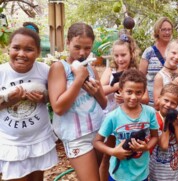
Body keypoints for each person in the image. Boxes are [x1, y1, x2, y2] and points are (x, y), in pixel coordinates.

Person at [48, 22, 107, 181]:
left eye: (87, 48)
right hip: (76, 136)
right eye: (77, 47)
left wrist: (96, 93)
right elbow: (58, 108)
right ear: (67, 43)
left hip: (98, 130)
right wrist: (79, 79)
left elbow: (104, 103)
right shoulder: (59, 68)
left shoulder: (91, 68)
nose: (82, 53)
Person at [0, 25, 58, 180]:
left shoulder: (45, 71)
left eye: (29, 49)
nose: (21, 54)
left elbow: (55, 98)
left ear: (38, 52)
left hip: (39, 140)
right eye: (16, 48)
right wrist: (7, 101)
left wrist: (43, 98)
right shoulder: (1, 73)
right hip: (11, 144)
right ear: (8, 49)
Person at [93, 69, 159, 181]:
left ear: (143, 92)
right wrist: (113, 152)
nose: (133, 97)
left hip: (141, 173)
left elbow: (155, 136)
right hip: (119, 175)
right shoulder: (113, 117)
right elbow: (96, 142)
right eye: (129, 92)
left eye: (138, 92)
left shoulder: (150, 113)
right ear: (120, 91)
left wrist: (146, 147)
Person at [139, 17, 178, 106]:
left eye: (169, 29)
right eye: (164, 30)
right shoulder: (149, 52)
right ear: (157, 31)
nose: (167, 32)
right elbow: (141, 76)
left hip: (175, 102)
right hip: (153, 102)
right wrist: (144, 97)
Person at [153, 40, 178, 134]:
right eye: (173, 53)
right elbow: (157, 104)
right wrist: (172, 86)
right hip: (167, 120)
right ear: (166, 53)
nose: (176, 57)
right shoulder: (160, 76)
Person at [100, 33, 148, 115]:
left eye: (123, 55)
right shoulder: (110, 71)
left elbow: (145, 99)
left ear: (131, 54)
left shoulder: (136, 74)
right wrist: (118, 85)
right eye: (116, 55)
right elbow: (100, 91)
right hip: (111, 115)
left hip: (129, 116)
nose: (120, 59)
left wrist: (127, 98)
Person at [149, 83, 178, 180]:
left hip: (173, 172)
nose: (168, 105)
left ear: (177, 104)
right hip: (156, 171)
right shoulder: (153, 119)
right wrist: (167, 122)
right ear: (159, 98)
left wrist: (175, 126)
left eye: (173, 103)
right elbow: (164, 145)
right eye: (166, 100)